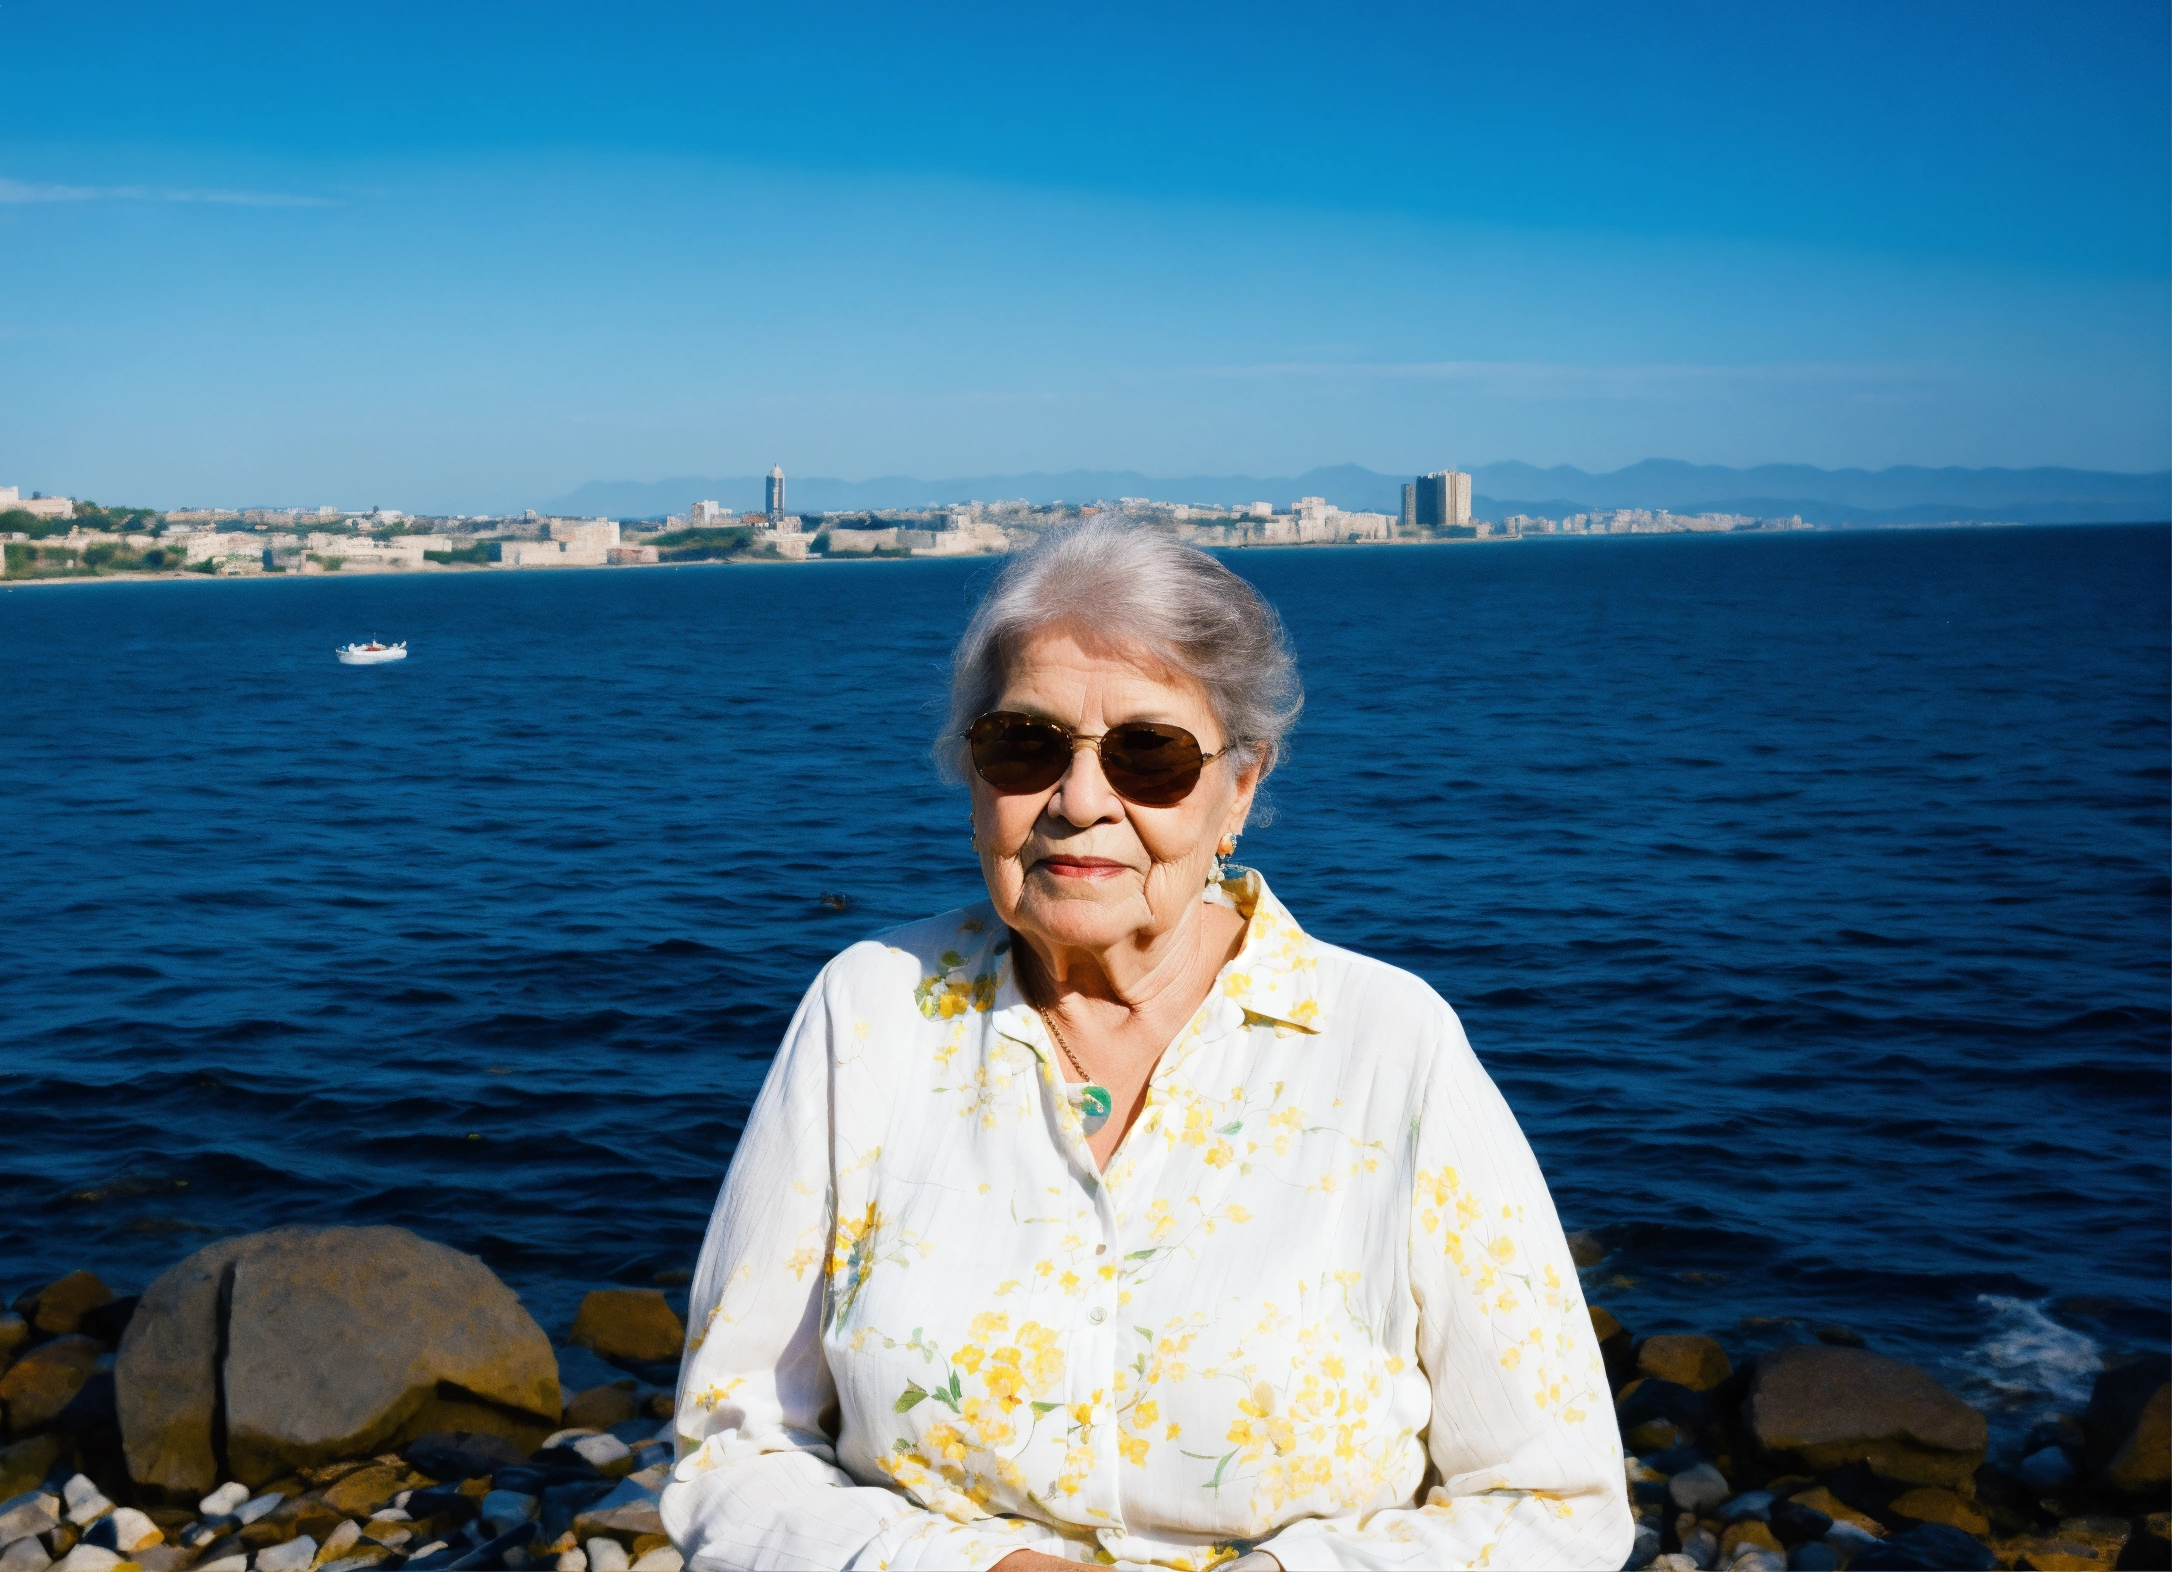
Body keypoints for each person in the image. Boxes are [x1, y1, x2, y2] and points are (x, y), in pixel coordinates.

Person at [661, 519, 1632, 1571]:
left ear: (1240, 786)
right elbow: (733, 1449)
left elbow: (1556, 1502)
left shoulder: (1389, 1046)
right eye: (1025, 745)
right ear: (974, 771)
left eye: (1149, 755)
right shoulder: (869, 1015)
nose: (1080, 801)